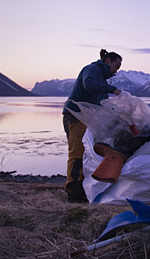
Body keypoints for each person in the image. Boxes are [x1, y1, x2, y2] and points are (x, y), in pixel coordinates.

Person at [62, 49, 122, 202]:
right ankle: (72, 192)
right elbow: (89, 84)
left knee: (85, 154)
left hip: (86, 120)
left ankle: (81, 189)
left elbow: (103, 105)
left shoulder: (101, 80)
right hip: (74, 117)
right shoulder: (92, 69)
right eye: (116, 66)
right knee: (76, 153)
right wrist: (112, 90)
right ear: (107, 61)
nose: (116, 71)